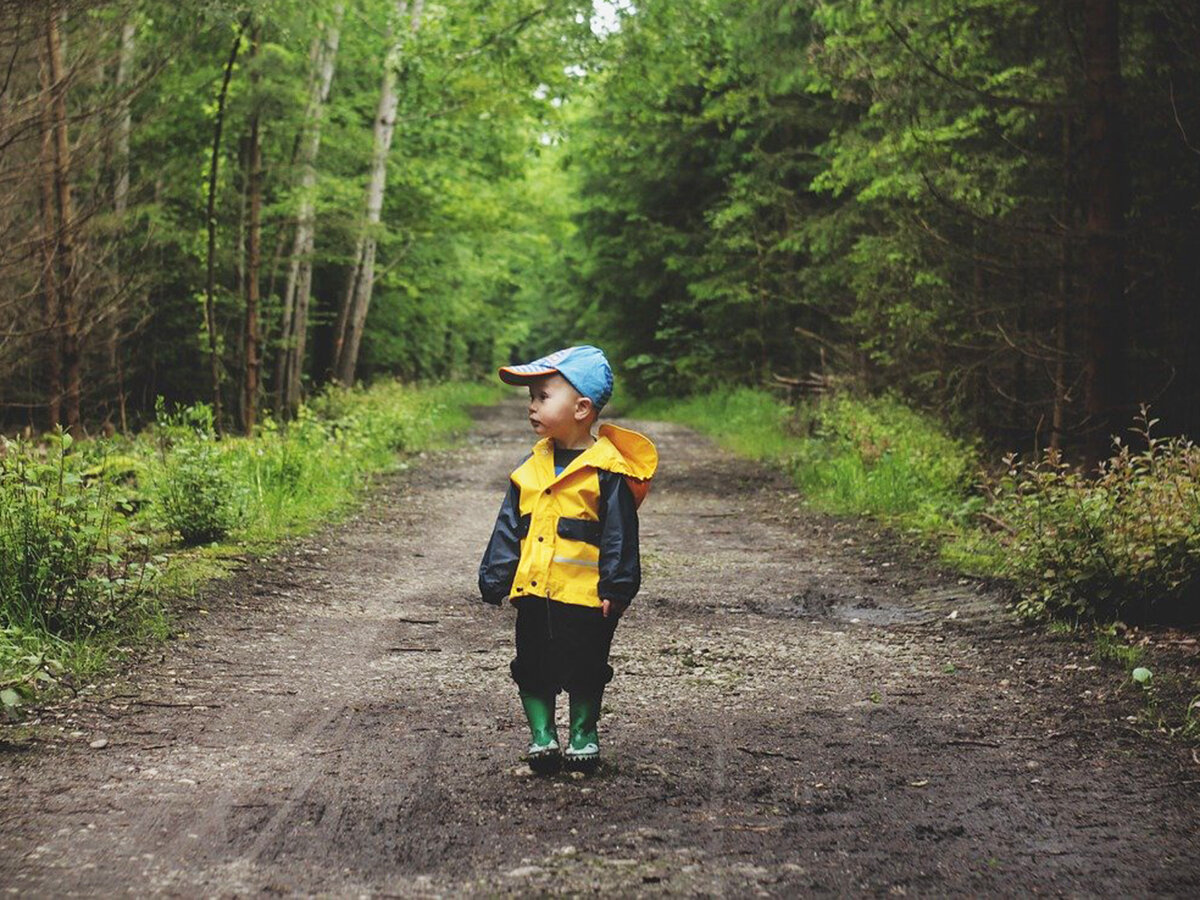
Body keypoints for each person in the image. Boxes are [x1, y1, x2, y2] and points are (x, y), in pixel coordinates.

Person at [479, 345, 657, 773]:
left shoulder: (607, 471)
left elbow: (619, 533)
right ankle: (542, 735)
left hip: (586, 598)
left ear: (581, 408)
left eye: (543, 396)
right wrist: (496, 574)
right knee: (531, 663)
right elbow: (510, 525)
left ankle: (583, 733)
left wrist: (618, 586)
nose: (532, 407)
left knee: (587, 665)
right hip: (535, 590)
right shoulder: (529, 468)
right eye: (531, 398)